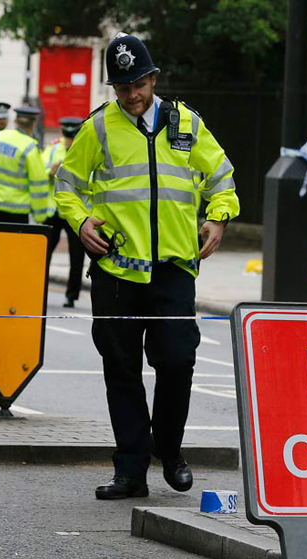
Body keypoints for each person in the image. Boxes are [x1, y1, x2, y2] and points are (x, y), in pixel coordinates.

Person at [55, 33, 239, 500]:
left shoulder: (186, 124)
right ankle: (131, 471)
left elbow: (222, 178)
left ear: (153, 78)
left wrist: (218, 218)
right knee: (121, 370)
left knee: (177, 362)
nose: (131, 94)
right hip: (116, 271)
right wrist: (79, 223)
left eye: (138, 83)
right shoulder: (98, 129)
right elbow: (66, 186)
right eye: (121, 87)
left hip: (174, 269)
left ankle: (170, 451)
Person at [0, 106, 51, 223]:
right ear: (33, 125)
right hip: (19, 211)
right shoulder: (30, 148)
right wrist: (40, 215)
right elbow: (38, 183)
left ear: (15, 121)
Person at [43, 116, 85, 307]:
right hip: (53, 210)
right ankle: (39, 289)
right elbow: (39, 168)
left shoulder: (85, 148)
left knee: (77, 255)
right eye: (67, 136)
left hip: (75, 211)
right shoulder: (53, 148)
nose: (70, 140)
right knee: (44, 252)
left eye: (73, 136)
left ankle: (71, 295)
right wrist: (50, 171)